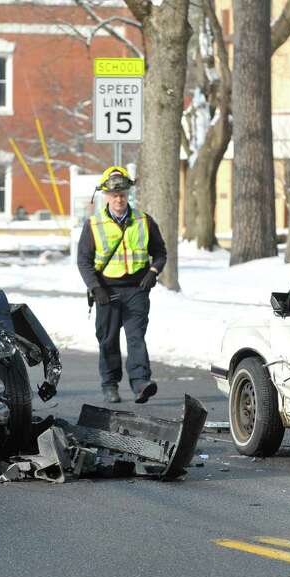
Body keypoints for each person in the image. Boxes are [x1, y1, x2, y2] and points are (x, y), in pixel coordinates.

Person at [77, 166, 167, 404]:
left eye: (123, 195)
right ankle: (110, 384)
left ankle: (140, 384)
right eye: (114, 195)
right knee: (108, 339)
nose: (119, 200)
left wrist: (153, 271)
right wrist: (96, 288)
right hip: (106, 291)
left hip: (137, 289)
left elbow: (160, 252)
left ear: (128, 195)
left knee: (136, 337)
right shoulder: (94, 225)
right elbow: (83, 261)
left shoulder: (144, 221)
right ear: (106, 196)